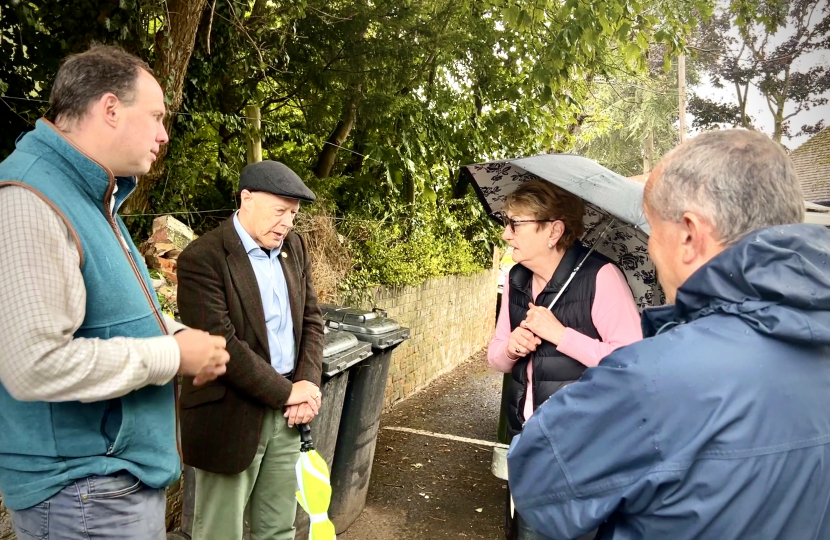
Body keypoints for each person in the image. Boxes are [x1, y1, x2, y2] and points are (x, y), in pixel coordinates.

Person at [508, 129, 830, 540]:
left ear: (690, 236)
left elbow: (538, 478)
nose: (651, 252)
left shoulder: (651, 378)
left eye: (654, 231)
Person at [0, 45, 229, 539]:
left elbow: (113, 314)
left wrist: (182, 338)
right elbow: (32, 364)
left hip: (105, 490)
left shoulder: (91, 196)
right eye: (156, 116)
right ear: (109, 109)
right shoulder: (29, 199)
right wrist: (170, 355)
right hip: (83, 496)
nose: (164, 134)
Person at [176, 160, 325, 540]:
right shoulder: (203, 258)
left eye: (293, 214)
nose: (288, 223)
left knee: (278, 528)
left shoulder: (294, 247)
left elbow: (311, 320)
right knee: (219, 532)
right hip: (230, 414)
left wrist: (306, 384)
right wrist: (287, 392)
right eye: (280, 211)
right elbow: (220, 344)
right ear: (246, 198)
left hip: (290, 414)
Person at [487, 179, 643, 539]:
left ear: (553, 230)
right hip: (526, 443)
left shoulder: (601, 277)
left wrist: (562, 336)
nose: (507, 234)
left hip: (581, 450)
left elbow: (632, 365)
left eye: (516, 223)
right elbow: (495, 358)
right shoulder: (517, 278)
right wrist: (512, 346)